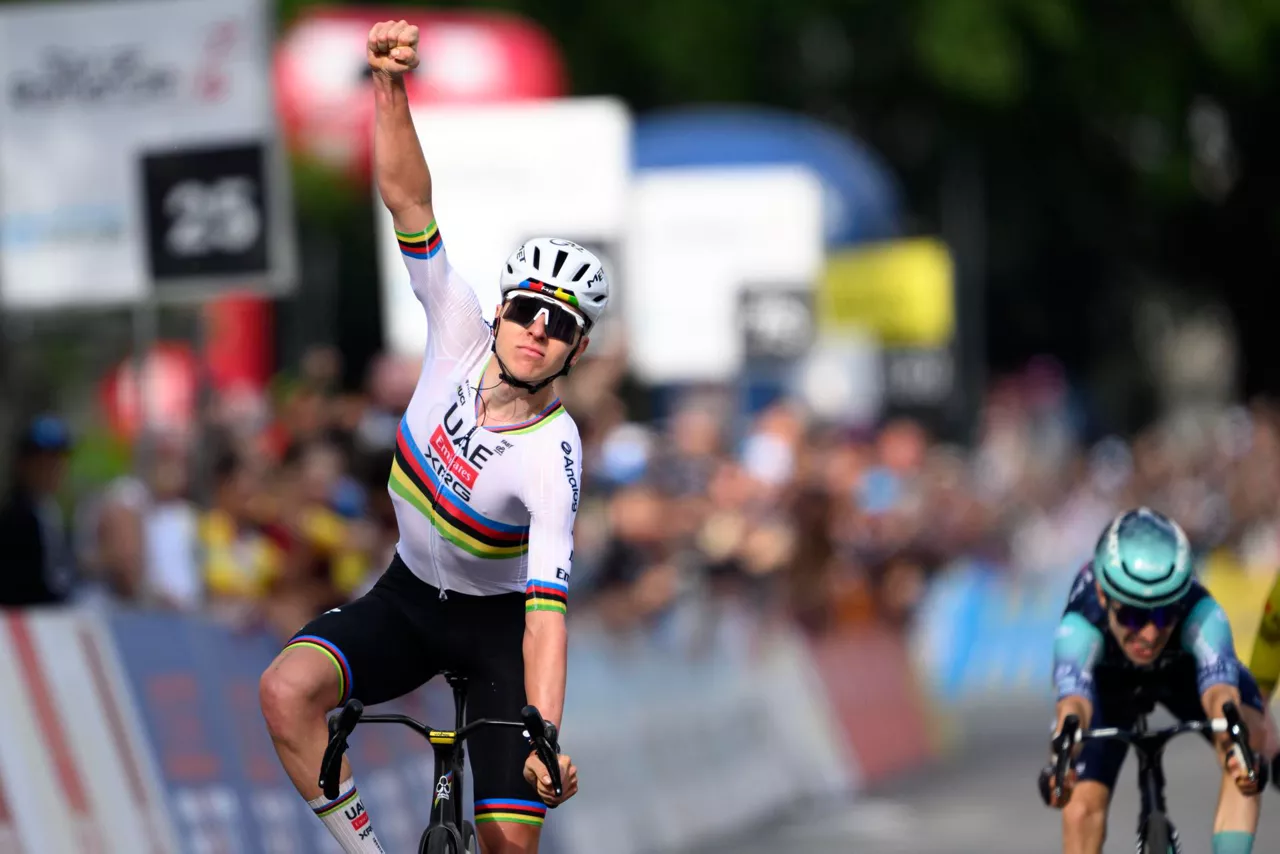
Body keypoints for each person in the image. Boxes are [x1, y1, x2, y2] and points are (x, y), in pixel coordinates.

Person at [259, 19, 593, 854]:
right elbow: (410, 200)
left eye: (559, 325)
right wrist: (387, 85)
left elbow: (547, 617)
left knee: (510, 843)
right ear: (503, 304)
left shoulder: (553, 454)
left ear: (576, 349)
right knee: (285, 691)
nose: (535, 331)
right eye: (526, 309)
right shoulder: (456, 330)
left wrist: (545, 735)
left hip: (496, 633)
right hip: (406, 600)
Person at [1041, 507, 1268, 854]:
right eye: (1132, 615)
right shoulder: (1080, 624)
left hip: (1182, 672)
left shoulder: (1201, 613)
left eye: (1164, 614)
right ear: (1103, 597)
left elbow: (1219, 691)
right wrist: (1063, 754)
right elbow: (1074, 704)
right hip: (1109, 681)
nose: (1149, 634)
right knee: (1080, 808)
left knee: (1244, 741)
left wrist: (1233, 733)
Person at [0, 415, 76, 607]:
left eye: (58, 461)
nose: (53, 470)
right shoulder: (14, 520)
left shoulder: (53, 513)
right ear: (24, 465)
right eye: (43, 462)